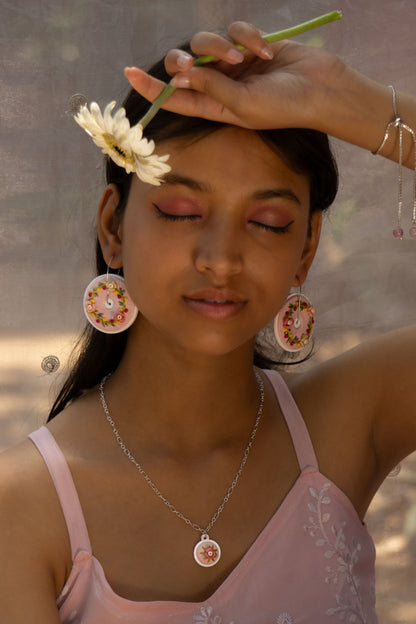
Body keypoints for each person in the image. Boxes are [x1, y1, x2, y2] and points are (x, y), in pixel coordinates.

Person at [1, 20, 415, 624]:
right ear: (113, 227)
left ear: (306, 247)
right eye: (180, 210)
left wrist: (351, 102)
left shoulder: (352, 421)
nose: (221, 257)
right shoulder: (24, 508)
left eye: (269, 222)